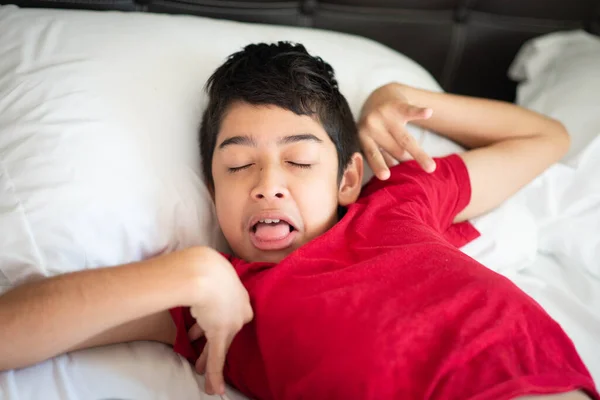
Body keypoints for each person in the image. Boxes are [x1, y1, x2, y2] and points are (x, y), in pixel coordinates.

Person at [0, 41, 597, 400]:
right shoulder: (221, 310)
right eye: (237, 166)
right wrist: (193, 273)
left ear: (345, 179)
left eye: (299, 159)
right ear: (212, 192)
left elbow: (546, 136)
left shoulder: (399, 201)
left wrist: (401, 97)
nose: (267, 185)